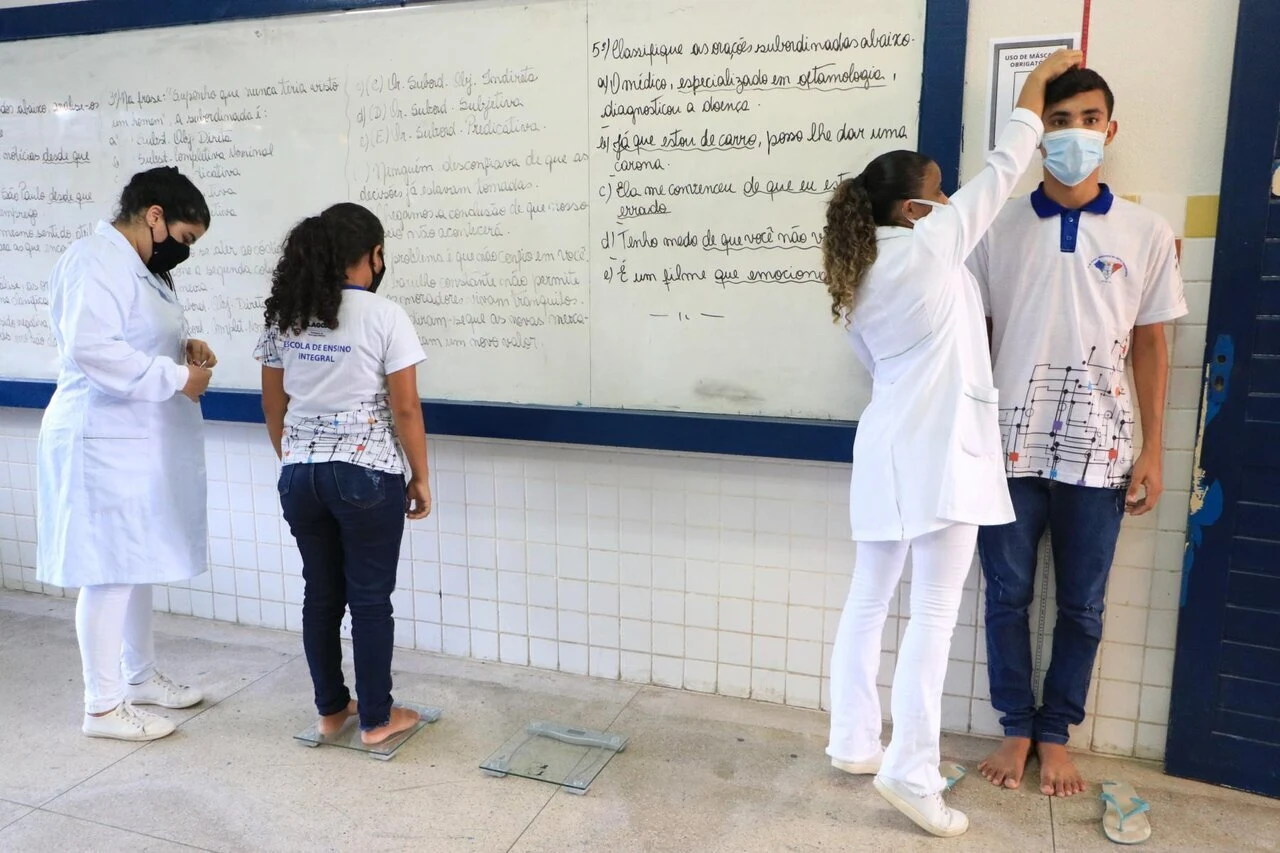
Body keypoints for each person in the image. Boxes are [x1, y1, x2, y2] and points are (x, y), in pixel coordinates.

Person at [822, 50, 1082, 837]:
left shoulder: (859, 275)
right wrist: (1037, 94)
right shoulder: (932, 245)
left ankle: (855, 743)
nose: (951, 197)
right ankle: (909, 773)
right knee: (933, 612)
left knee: (869, 600)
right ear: (913, 208)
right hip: (942, 458)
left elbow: (878, 368)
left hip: (890, 453)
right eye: (939, 189)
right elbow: (1005, 167)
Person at [970, 68, 1187, 797]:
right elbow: (977, 337)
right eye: (1058, 119)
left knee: (1082, 605)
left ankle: (1056, 732)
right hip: (1004, 447)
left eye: (1089, 118)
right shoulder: (994, 229)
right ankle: (1015, 724)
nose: (1075, 133)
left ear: (1111, 130)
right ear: (1039, 136)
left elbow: (1153, 346)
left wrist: (1154, 447)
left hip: (1101, 451)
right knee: (1005, 593)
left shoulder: (1147, 231)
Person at [36, 166, 215, 742]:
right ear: (154, 216)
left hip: (133, 437)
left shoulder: (137, 267)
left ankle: (137, 678)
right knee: (110, 569)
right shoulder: (95, 258)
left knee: (133, 563)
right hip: (100, 438)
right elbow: (94, 349)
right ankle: (102, 707)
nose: (182, 254)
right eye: (183, 240)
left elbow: (134, 336)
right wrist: (176, 376)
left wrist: (182, 347)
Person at [255, 202, 432, 746]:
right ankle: (377, 718)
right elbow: (405, 408)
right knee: (370, 599)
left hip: (299, 475)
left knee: (321, 595)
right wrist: (419, 476)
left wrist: (298, 459)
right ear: (372, 255)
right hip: (365, 473)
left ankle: (332, 712)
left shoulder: (285, 314)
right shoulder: (383, 315)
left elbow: (273, 405)